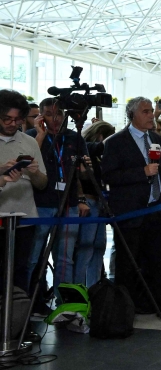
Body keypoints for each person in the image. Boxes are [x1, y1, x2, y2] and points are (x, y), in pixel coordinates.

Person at [101, 96, 161, 319]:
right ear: (132, 115)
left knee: (160, 261)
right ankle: (125, 309)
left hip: (156, 209)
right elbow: (109, 175)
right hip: (131, 211)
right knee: (128, 264)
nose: (152, 115)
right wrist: (141, 172)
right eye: (146, 111)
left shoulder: (155, 138)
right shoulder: (115, 142)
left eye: (152, 111)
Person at [26, 98, 89, 296]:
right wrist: (40, 135)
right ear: (41, 116)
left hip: (68, 204)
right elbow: (27, 164)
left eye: (59, 114)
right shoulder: (31, 136)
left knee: (64, 258)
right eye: (50, 114)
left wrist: (81, 195)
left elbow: (83, 175)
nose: (55, 118)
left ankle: (64, 303)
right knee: (33, 257)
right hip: (40, 204)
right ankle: (25, 301)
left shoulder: (75, 138)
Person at [0, 90, 47, 297]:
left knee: (21, 271)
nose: (13, 123)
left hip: (25, 218)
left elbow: (42, 183)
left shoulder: (29, 141)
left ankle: (17, 324)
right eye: (7, 119)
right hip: (2, 217)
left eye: (18, 119)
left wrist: (34, 172)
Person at [74, 120, 115, 287]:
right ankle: (80, 289)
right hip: (88, 202)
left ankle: (94, 289)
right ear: (100, 135)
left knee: (99, 247)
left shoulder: (99, 156)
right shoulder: (87, 147)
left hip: (99, 203)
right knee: (86, 247)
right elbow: (100, 147)